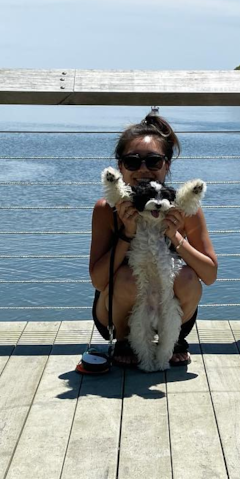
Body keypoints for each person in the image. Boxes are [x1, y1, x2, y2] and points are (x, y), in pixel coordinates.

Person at [89, 111, 218, 368]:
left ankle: (174, 339)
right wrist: (127, 232)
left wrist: (175, 234)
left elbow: (210, 275)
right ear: (120, 166)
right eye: (133, 162)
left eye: (153, 161)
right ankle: (125, 340)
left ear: (167, 165)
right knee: (127, 276)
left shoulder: (184, 209)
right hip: (114, 310)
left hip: (172, 309)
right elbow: (99, 280)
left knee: (187, 277)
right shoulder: (106, 209)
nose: (143, 170)